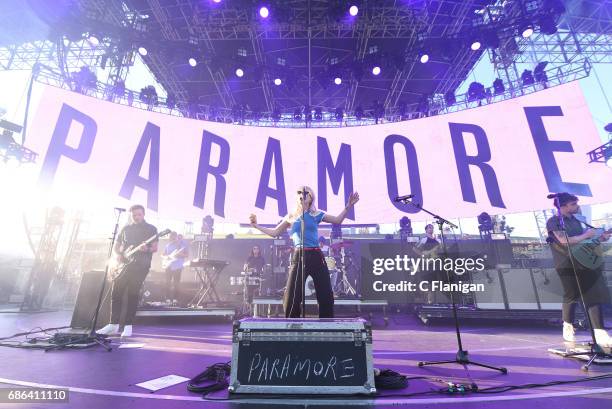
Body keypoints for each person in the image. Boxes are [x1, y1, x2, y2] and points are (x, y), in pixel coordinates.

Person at [249, 186, 359, 318]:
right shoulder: (292, 216)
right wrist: (256, 226)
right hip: (299, 255)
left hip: (316, 255)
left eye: (306, 192)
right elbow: (275, 232)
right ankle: (292, 324)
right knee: (291, 295)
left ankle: (326, 323)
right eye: (299, 192)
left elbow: (337, 220)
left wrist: (348, 206)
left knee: (325, 294)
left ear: (311, 197)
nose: (302, 194)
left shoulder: (316, 214)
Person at [546, 192, 611, 347]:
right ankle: (567, 325)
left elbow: (584, 241)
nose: (577, 206)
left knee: (592, 294)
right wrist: (587, 234)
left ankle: (600, 333)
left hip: (584, 262)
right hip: (566, 263)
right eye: (573, 203)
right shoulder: (553, 221)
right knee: (571, 295)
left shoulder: (577, 221)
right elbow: (563, 240)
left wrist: (600, 237)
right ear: (563, 206)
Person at [97, 205, 158, 338]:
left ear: (144, 214)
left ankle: (128, 326)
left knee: (133, 293)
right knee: (116, 291)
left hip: (141, 266)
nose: (137, 217)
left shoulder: (151, 229)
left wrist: (145, 249)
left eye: (139, 214)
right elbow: (117, 245)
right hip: (124, 265)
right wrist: (118, 254)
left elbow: (154, 248)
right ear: (131, 215)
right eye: (134, 215)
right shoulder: (126, 228)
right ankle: (113, 325)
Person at [162, 231, 188, 306]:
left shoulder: (183, 245)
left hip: (177, 266)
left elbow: (187, 255)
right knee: (167, 282)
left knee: (176, 283)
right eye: (171, 238)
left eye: (174, 237)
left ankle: (175, 299)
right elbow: (163, 254)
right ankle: (167, 298)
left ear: (177, 237)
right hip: (168, 266)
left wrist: (180, 254)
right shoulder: (168, 245)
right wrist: (166, 257)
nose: (172, 239)